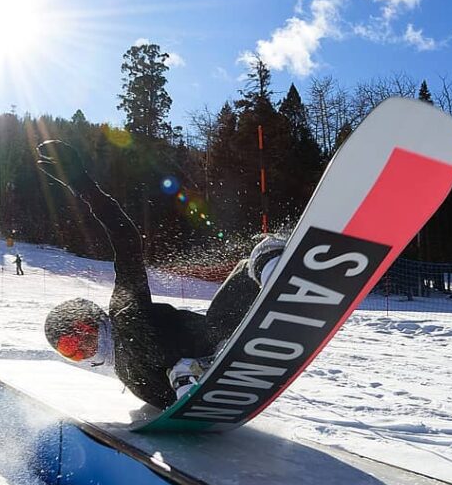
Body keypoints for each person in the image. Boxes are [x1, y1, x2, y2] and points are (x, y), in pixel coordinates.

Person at [38, 141, 284, 410]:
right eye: (72, 351)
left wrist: (83, 185)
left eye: (83, 336)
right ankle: (186, 379)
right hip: (189, 379)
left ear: (95, 321)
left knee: (128, 321)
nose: (85, 349)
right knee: (136, 373)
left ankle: (265, 259)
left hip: (213, 337)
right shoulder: (127, 375)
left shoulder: (123, 306)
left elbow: (126, 237)